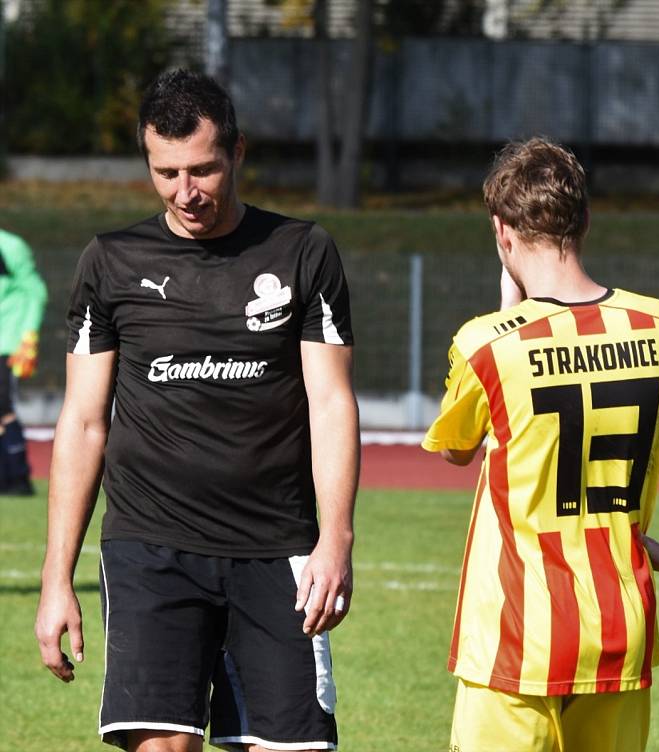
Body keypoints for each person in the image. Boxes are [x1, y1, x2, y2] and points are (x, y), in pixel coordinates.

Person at [35, 69, 360, 752]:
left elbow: (331, 401)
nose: (186, 193)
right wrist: (55, 580)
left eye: (204, 170)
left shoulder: (304, 252)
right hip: (150, 548)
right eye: (166, 172)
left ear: (237, 152)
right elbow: (84, 422)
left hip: (277, 549)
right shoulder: (111, 262)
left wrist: (337, 540)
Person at [421, 138, 659, 752]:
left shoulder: (487, 344)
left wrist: (508, 307)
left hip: (516, 637)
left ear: (501, 234)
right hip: (619, 629)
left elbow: (459, 449)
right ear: (585, 220)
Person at [0, 228, 48, 496]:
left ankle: (18, 479)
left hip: (7, 341)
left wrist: (29, 335)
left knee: (3, 405)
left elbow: (35, 290)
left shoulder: (10, 246)